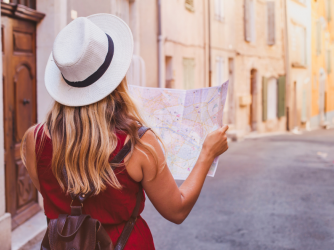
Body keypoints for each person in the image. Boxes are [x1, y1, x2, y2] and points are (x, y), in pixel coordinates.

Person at [21, 14, 228, 249]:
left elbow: (58, 199)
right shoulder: (138, 143)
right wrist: (207, 154)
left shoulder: (34, 139)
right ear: (117, 78)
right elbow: (176, 210)